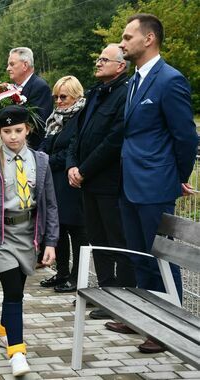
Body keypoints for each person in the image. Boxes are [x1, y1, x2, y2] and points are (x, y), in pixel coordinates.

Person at [113, 13, 198, 354]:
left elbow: (185, 137)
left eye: (127, 36)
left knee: (160, 258)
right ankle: (143, 317)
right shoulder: (133, 81)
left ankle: (167, 328)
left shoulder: (170, 80)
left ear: (148, 39)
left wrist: (176, 177)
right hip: (129, 182)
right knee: (138, 256)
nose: (122, 43)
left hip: (155, 185)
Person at [0, 105, 58, 377]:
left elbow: (51, 205)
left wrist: (51, 242)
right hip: (1, 236)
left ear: (28, 130)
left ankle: (3, 329)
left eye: (18, 130)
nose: (12, 137)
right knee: (13, 292)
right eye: (6, 131)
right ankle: (17, 352)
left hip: (29, 234)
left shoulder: (41, 161)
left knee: (17, 287)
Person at [66, 44, 136, 318]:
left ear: (120, 66)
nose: (97, 63)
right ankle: (106, 292)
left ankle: (122, 300)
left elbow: (114, 140)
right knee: (97, 239)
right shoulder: (95, 94)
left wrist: (84, 169)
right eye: (98, 58)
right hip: (87, 182)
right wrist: (72, 164)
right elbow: (77, 134)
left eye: (104, 59)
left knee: (116, 241)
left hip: (109, 182)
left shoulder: (124, 94)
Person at [39, 76, 88, 293]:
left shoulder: (81, 117)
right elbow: (46, 144)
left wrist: (47, 159)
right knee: (58, 228)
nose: (58, 101)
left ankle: (78, 276)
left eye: (63, 96)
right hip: (55, 181)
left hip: (71, 182)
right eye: (56, 97)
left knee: (77, 230)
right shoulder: (55, 119)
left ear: (76, 96)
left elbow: (72, 150)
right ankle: (62, 272)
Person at [6, 47, 53, 150]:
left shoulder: (40, 87)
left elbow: (39, 123)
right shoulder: (11, 89)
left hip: (32, 150)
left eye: (12, 64)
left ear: (25, 65)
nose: (8, 68)